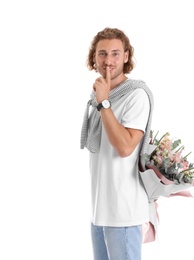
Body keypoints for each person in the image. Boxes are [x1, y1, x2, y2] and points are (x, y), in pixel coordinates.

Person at [80, 27, 154, 260]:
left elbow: (124, 148)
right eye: (102, 54)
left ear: (126, 56)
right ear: (94, 57)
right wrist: (102, 101)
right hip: (100, 211)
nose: (108, 60)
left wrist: (104, 103)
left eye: (115, 53)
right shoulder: (98, 97)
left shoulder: (136, 95)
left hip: (123, 213)